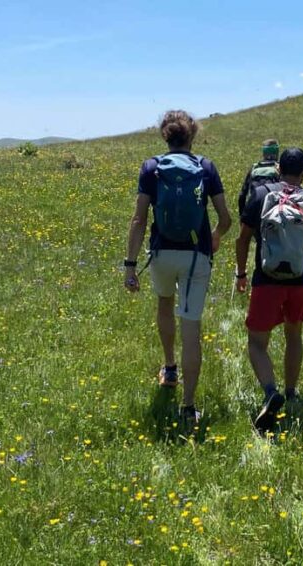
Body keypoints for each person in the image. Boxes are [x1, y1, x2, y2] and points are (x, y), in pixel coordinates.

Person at [124, 110, 231, 423]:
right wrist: (215, 236)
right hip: (196, 255)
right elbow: (225, 219)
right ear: (193, 135)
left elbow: (139, 219)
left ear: (164, 136)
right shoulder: (206, 167)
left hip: (161, 253)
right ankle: (187, 406)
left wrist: (130, 266)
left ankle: (169, 367)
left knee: (164, 305)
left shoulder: (151, 168)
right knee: (191, 327)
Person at [234, 147, 303, 434]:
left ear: (279, 169)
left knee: (256, 342)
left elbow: (242, 240)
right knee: (294, 335)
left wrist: (241, 273)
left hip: (266, 280)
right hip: (301, 281)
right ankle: (290, 392)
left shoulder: (260, 195)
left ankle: (270, 391)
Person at [237, 139, 280, 216]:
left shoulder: (254, 168)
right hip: (273, 210)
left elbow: (242, 195)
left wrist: (242, 216)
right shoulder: (279, 169)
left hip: (254, 207)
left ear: (264, 154)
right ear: (277, 153)